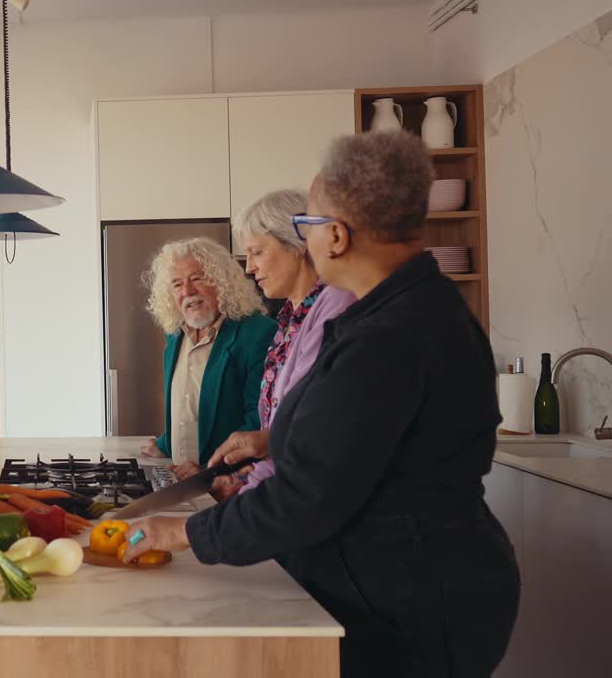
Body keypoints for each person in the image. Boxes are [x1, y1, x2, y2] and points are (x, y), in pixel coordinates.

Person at [123, 132, 520, 678]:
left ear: (334, 236)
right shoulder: (405, 311)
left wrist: (185, 533)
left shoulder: (387, 336)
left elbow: (308, 494)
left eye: (306, 227)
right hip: (411, 585)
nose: (301, 243)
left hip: (414, 604)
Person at [224, 188, 356, 498]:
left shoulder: (336, 304)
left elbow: (309, 429)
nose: (249, 268)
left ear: (297, 244)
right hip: (291, 495)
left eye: (257, 252)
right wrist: (247, 482)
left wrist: (245, 504)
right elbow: (280, 431)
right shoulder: (288, 318)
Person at [139, 237, 276, 478]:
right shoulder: (175, 336)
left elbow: (260, 421)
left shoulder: (259, 333)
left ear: (222, 281)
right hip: (182, 479)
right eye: (177, 284)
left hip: (233, 484)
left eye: (197, 279)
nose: (188, 292)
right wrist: (165, 444)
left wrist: (210, 471)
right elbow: (187, 406)